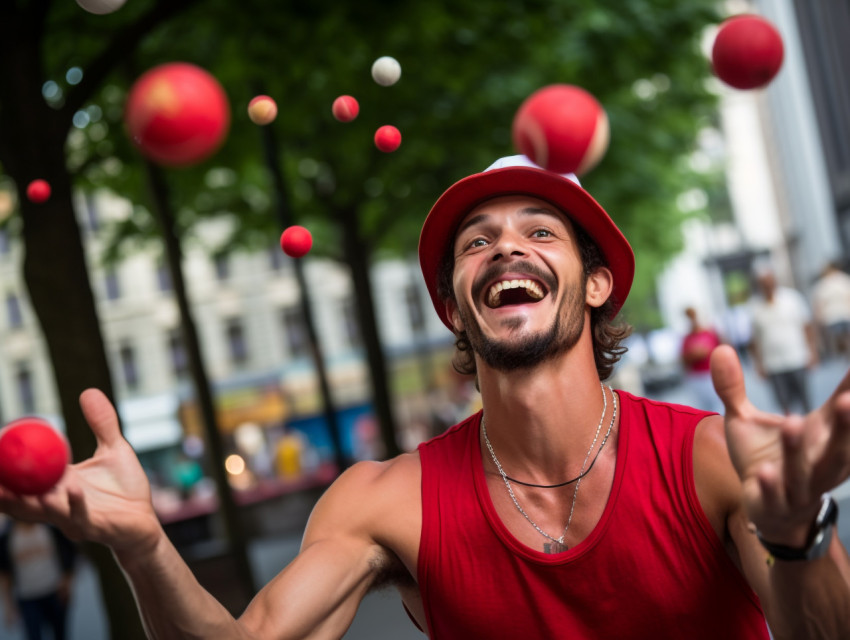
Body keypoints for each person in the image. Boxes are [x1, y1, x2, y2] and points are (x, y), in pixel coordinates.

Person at [1, 155, 849, 639]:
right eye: (477, 243)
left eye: (538, 232)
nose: (504, 249)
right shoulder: (385, 499)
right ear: (454, 307)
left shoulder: (706, 462)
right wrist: (146, 546)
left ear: (596, 286)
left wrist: (798, 535)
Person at [749, 269, 819, 415]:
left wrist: (812, 351)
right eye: (764, 284)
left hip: (797, 358)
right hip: (773, 364)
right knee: (784, 403)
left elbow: (806, 326)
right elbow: (754, 339)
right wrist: (758, 364)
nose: (768, 286)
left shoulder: (792, 299)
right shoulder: (754, 307)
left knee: (805, 400)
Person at [0, 518, 76, 640]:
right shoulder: (7, 537)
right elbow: (5, 574)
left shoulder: (50, 529)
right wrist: (8, 606)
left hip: (54, 592)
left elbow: (69, 555)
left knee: (60, 634)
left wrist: (68, 582)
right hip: (27, 597)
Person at [680, 306, 723, 413]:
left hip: (711, 374)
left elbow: (722, 349)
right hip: (697, 377)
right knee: (703, 408)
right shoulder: (687, 338)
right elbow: (683, 360)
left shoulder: (710, 333)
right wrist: (694, 355)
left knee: (718, 406)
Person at [811, 261, 850, 359]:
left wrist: (819, 319)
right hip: (844, 315)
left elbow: (818, 304)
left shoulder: (823, 284)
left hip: (831, 318)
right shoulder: (843, 279)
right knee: (846, 340)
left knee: (837, 345)